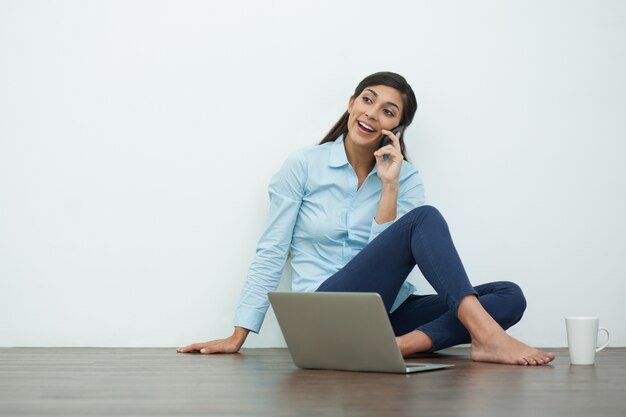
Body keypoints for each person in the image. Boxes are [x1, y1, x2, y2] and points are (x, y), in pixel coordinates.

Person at [178, 71, 555, 366]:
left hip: (386, 316)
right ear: (351, 103)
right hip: (325, 312)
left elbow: (394, 258)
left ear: (397, 128)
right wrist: (238, 334)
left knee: (508, 295)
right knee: (425, 219)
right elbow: (272, 250)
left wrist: (389, 185)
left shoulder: (406, 177)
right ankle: (485, 336)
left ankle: (397, 347)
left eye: (388, 111)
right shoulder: (303, 166)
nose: (372, 115)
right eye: (367, 101)